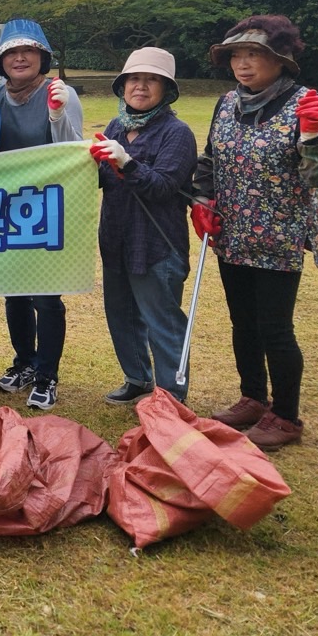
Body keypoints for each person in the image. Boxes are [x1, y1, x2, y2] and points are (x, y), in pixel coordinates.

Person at [193, 15, 318, 449]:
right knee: (242, 323)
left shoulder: (306, 104)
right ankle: (253, 398)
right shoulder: (226, 103)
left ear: (280, 61)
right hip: (232, 232)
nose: (243, 64)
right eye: (237, 56)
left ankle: (286, 415)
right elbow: (210, 160)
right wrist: (201, 202)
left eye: (255, 55)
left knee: (275, 328)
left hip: (279, 236)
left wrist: (316, 136)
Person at [89, 47, 196, 405]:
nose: (141, 86)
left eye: (152, 80)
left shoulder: (177, 133)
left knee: (161, 321)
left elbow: (163, 186)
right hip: (116, 238)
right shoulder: (116, 127)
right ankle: (137, 378)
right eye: (134, 78)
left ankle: (171, 397)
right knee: (120, 314)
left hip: (155, 243)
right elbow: (102, 178)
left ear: (166, 89)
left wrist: (127, 162)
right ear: (123, 86)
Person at [0, 18, 83, 411]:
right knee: (14, 292)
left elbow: (73, 152)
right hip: (8, 208)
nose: (20, 57)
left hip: (49, 207)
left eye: (28, 51)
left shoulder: (60, 92)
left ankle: (47, 374)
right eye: (12, 52)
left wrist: (58, 115)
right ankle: (24, 361)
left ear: (42, 56)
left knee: (46, 295)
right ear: (2, 60)